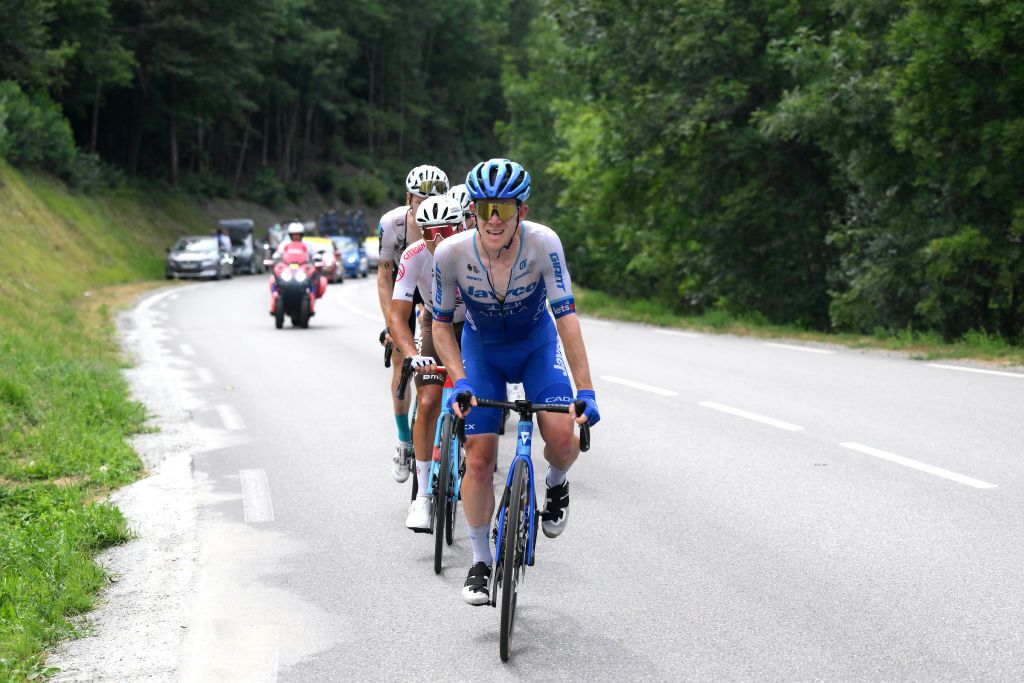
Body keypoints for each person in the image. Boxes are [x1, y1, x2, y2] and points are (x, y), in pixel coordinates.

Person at [431, 158, 601, 605]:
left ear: (520, 212)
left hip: (535, 347)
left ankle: (556, 480)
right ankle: (481, 560)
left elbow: (566, 318)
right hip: (481, 352)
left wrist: (586, 390)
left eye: (503, 210)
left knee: (564, 438)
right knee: (480, 456)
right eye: (484, 208)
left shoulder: (544, 244)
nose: (492, 220)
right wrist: (460, 378)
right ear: (473, 209)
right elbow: (440, 326)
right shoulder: (452, 253)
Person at [389, 195, 466, 531]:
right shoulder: (414, 256)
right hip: (437, 324)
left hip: (475, 326)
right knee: (430, 399)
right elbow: (398, 315)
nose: (436, 240)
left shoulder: (476, 251)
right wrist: (412, 354)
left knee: (476, 400)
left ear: (461, 226)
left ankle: (467, 453)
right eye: (428, 232)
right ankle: (422, 498)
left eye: (445, 231)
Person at [377, 165, 449, 483]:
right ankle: (404, 440)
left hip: (435, 286)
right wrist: (390, 327)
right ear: (409, 199)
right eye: (421, 201)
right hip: (403, 284)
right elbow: (383, 276)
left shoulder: (450, 223)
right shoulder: (392, 224)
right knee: (400, 362)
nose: (428, 207)